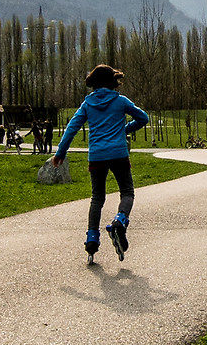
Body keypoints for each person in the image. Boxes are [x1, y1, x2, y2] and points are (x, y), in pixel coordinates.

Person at [51, 62, 150, 265]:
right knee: (127, 192)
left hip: (96, 156)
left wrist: (60, 152)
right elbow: (143, 118)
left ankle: (91, 241)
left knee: (97, 198)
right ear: (112, 82)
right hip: (119, 154)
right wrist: (125, 130)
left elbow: (71, 128)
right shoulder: (121, 101)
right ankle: (120, 221)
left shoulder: (87, 104)